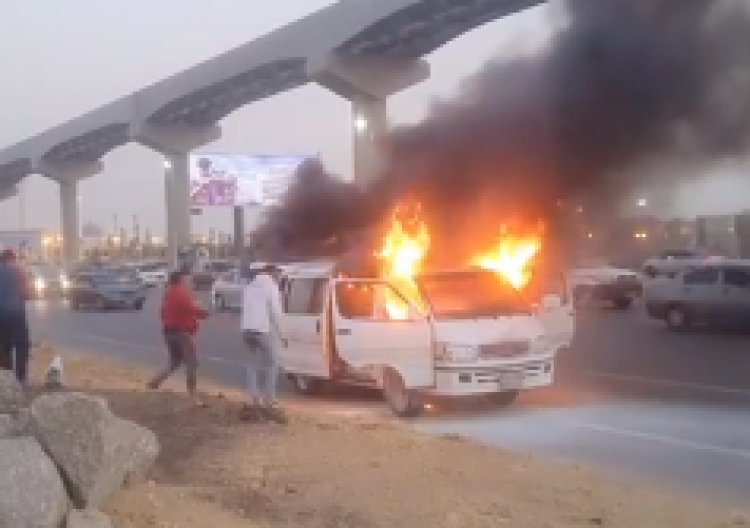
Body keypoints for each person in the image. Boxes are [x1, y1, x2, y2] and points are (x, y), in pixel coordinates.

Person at [148, 270, 209, 404]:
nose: (190, 281)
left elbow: (163, 312)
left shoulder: (168, 293)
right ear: (181, 280)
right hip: (182, 333)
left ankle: (155, 382)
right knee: (191, 364)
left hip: (168, 332)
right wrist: (204, 313)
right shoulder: (181, 293)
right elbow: (191, 309)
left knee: (175, 361)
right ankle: (192, 395)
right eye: (187, 279)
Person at [240, 263, 286, 423]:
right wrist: (282, 334)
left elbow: (245, 308)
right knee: (274, 362)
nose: (280, 277)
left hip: (246, 330)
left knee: (252, 364)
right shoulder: (271, 287)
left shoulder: (249, 286)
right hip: (260, 330)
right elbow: (276, 312)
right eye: (279, 274)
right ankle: (270, 399)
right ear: (273, 273)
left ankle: (254, 398)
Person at [0, 249, 30, 385]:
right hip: (17, 314)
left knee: (3, 347)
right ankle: (20, 379)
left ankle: (7, 379)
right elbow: (27, 293)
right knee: (22, 345)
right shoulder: (19, 270)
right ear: (12, 259)